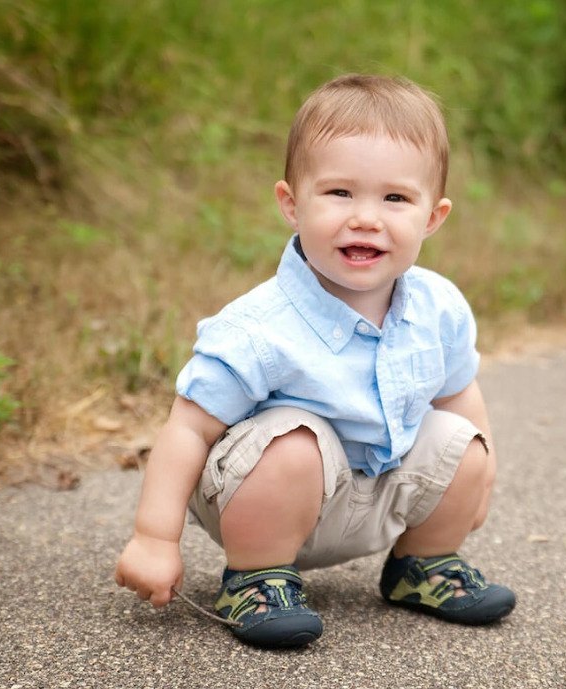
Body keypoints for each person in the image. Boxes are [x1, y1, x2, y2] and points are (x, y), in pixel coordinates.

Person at [114, 74, 516, 648]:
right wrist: (154, 537)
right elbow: (186, 428)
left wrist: (482, 476)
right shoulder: (259, 327)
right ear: (291, 204)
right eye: (340, 193)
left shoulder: (439, 308)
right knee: (294, 441)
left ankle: (423, 565)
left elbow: (458, 395)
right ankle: (256, 578)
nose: (366, 218)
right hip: (260, 499)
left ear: (433, 217)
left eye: (395, 198)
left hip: (373, 494)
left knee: (463, 438)